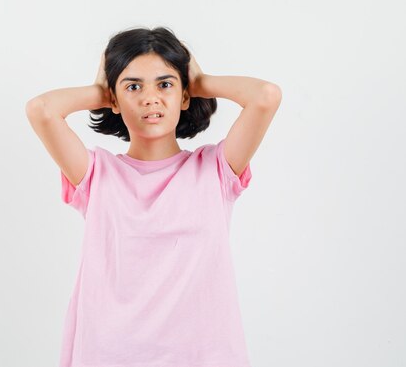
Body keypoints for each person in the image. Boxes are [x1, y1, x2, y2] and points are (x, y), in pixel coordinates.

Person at [25, 26, 281, 367]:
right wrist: (100, 91)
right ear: (113, 99)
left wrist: (200, 82)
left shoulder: (215, 169)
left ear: (184, 95)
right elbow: (41, 109)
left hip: (203, 356)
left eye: (165, 84)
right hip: (110, 354)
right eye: (133, 86)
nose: (150, 98)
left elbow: (266, 96)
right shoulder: (97, 173)